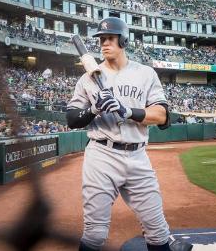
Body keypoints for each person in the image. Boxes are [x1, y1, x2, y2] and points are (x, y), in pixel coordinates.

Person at [66, 17, 192, 251]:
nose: (104, 43)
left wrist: (127, 111)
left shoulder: (145, 73)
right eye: (102, 39)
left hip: (137, 157)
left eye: (110, 38)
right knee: (94, 234)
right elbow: (72, 119)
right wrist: (94, 109)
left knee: (157, 231)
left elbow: (162, 115)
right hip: (101, 156)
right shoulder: (87, 78)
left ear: (123, 40)